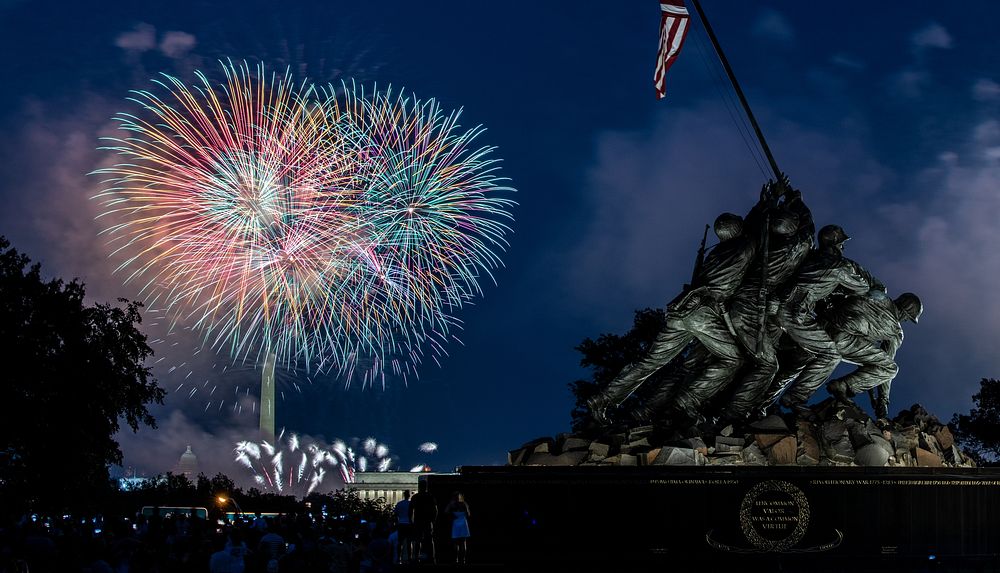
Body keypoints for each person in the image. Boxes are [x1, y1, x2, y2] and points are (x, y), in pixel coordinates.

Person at [587, 201, 765, 425]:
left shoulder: (716, 253)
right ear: (738, 229)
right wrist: (763, 205)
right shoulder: (744, 246)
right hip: (701, 314)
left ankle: (602, 399)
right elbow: (754, 229)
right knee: (733, 358)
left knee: (650, 361)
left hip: (681, 310)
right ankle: (687, 403)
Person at [774, 224, 883, 417]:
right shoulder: (839, 267)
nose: (843, 248)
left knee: (801, 357)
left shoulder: (813, 256)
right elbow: (862, 288)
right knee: (830, 355)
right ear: (834, 245)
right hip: (795, 312)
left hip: (790, 307)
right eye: (841, 244)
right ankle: (795, 398)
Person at [822, 292, 922, 423]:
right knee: (891, 369)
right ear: (905, 313)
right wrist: (883, 400)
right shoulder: (896, 332)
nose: (904, 321)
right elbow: (885, 362)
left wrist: (872, 396)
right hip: (842, 340)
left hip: (825, 322)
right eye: (907, 318)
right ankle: (841, 385)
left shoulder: (879, 294)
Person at [408, 481, 438, 564]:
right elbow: (435, 510)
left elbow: (410, 510)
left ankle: (416, 557)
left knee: (417, 540)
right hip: (428, 521)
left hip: (418, 521)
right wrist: (433, 520)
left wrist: (411, 521)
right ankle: (432, 557)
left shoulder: (415, 497)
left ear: (419, 487)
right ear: (426, 487)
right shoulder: (430, 496)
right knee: (429, 540)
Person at [445, 492, 472, 565]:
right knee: (463, 542)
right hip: (463, 523)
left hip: (456, 524)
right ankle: (462, 560)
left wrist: (452, 515)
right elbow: (468, 514)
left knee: (455, 542)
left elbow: (446, 511)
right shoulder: (464, 503)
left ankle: (456, 559)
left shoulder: (452, 503)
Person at [393, 490, 412, 564]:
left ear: (404, 495)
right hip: (409, 524)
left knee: (400, 542)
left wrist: (397, 522)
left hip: (401, 523)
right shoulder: (410, 504)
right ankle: (409, 558)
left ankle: (398, 557)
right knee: (409, 542)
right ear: (409, 495)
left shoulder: (399, 504)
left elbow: (395, 514)